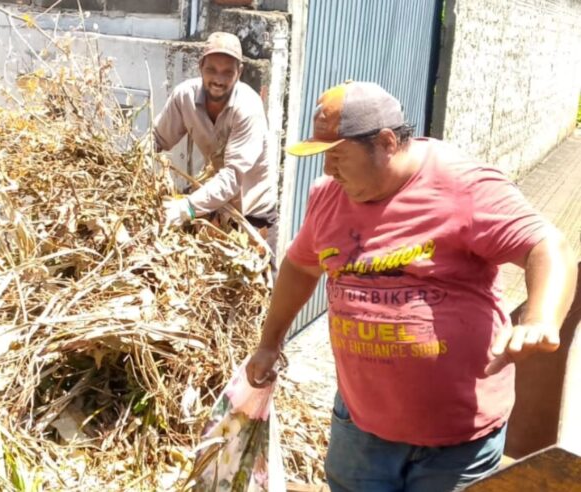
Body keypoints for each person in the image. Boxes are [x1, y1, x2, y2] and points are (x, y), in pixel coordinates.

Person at [245, 81, 577, 491]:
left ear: (386, 142)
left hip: (457, 445)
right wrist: (270, 342)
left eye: (337, 156)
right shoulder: (329, 196)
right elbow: (299, 267)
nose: (327, 170)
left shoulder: (463, 186)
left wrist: (541, 316)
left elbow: (547, 246)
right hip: (360, 429)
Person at [153, 31, 279, 263]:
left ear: (239, 73)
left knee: (260, 290)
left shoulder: (247, 108)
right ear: (200, 66)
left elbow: (232, 178)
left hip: (251, 212)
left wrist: (186, 209)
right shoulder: (185, 97)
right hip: (211, 205)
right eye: (211, 70)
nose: (218, 79)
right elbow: (156, 141)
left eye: (227, 72)